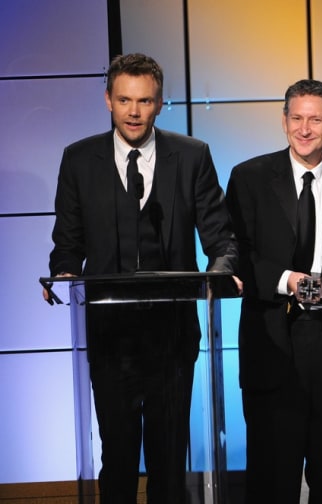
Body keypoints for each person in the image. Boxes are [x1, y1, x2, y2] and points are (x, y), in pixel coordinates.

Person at [45, 53, 238, 503]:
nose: (134, 111)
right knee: (117, 452)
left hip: (171, 335)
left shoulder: (192, 156)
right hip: (110, 334)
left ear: (160, 102)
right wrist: (64, 273)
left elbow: (221, 239)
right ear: (108, 100)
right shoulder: (79, 159)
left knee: (170, 456)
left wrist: (220, 275)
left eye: (145, 101)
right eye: (125, 100)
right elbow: (67, 242)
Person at [225, 79, 322, 503]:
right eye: (296, 118)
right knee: (271, 477)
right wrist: (287, 280)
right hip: (273, 340)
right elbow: (237, 255)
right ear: (283, 121)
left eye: (316, 119)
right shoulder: (249, 178)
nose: (305, 128)